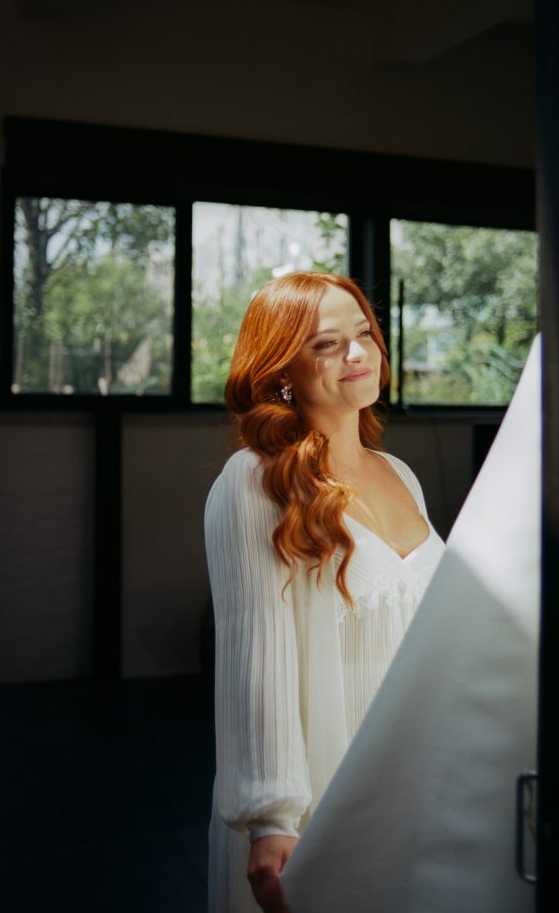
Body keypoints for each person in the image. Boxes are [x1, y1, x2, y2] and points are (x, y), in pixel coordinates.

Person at [205, 271, 445, 913]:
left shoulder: (398, 473)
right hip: (323, 789)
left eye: (364, 333)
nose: (359, 355)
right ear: (282, 370)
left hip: (414, 778)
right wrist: (271, 816)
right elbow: (256, 658)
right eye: (326, 345)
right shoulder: (253, 484)